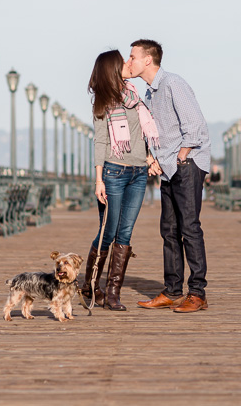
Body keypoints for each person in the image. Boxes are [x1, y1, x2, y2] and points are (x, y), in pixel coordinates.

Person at [128, 39, 212, 314]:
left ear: (148, 60)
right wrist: (154, 158)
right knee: (169, 230)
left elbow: (195, 126)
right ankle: (173, 291)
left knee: (189, 228)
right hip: (169, 168)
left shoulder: (173, 83)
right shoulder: (151, 93)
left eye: (133, 57)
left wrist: (181, 156)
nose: (129, 62)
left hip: (186, 164)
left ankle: (197, 293)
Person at [82, 49, 160, 311]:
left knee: (125, 233)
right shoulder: (103, 102)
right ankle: (91, 286)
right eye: (123, 61)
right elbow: (101, 141)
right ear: (112, 68)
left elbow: (142, 134)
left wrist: (149, 158)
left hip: (138, 173)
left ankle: (113, 293)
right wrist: (98, 180)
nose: (129, 63)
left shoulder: (134, 96)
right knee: (108, 232)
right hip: (113, 173)